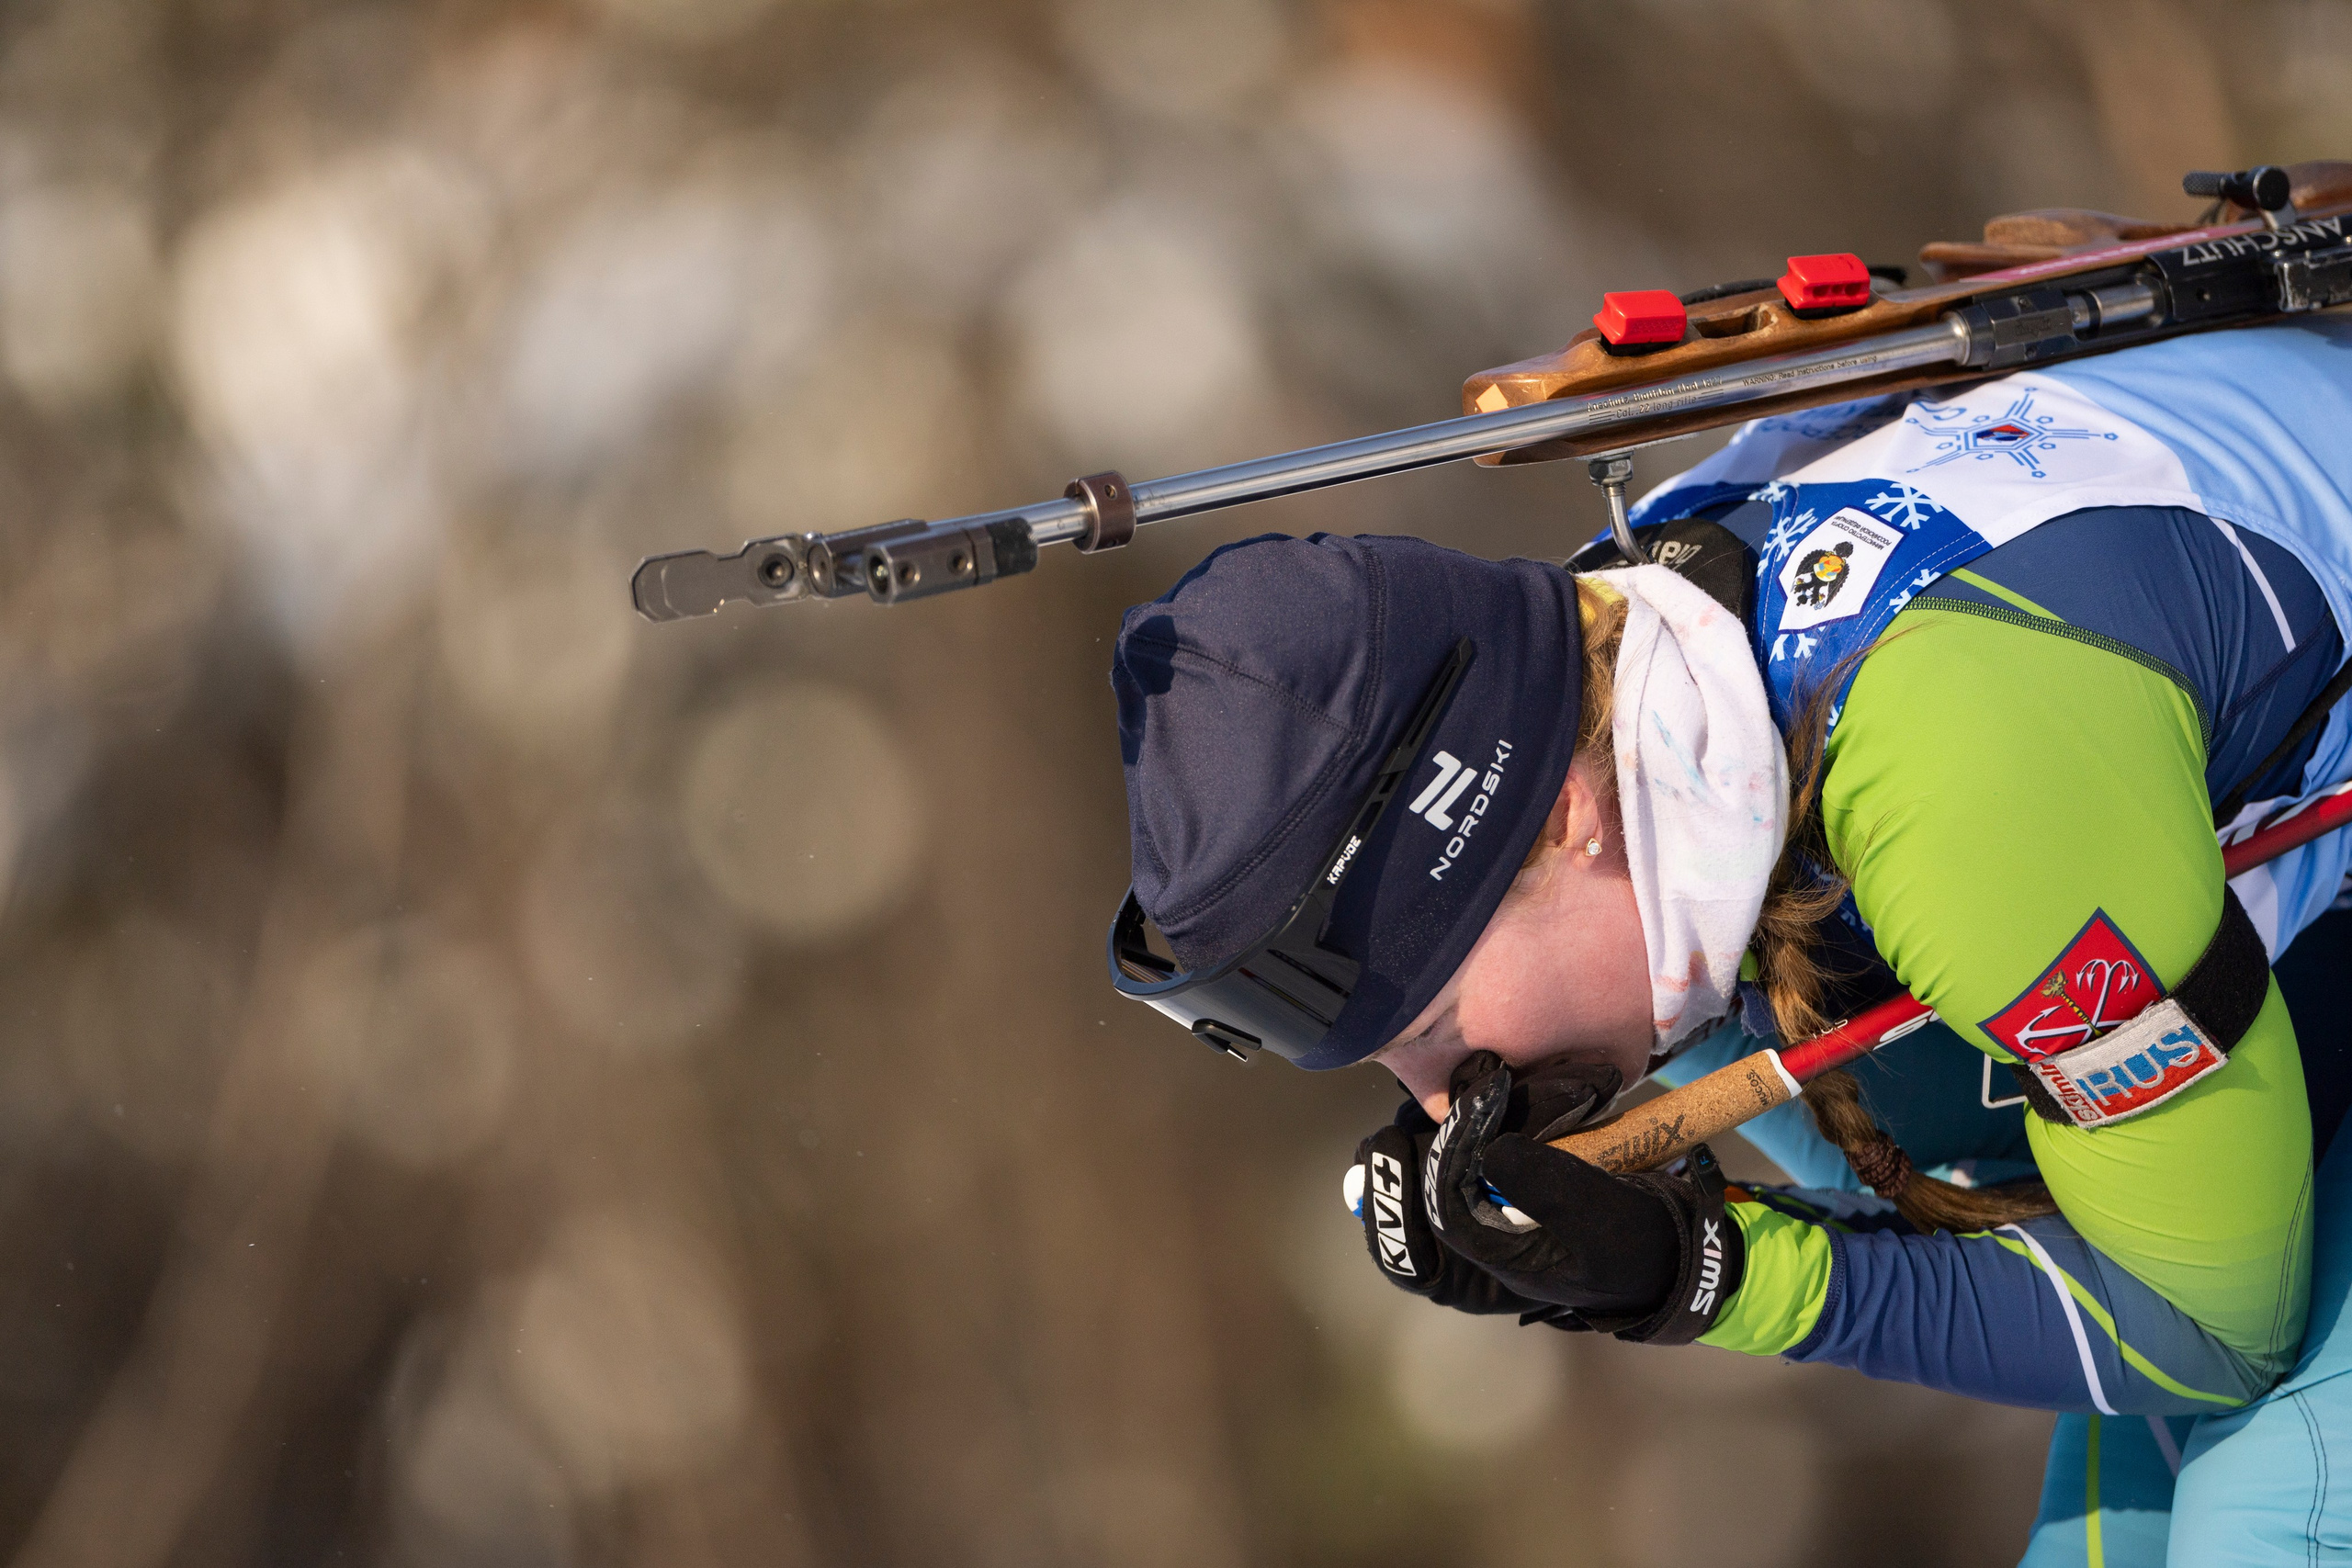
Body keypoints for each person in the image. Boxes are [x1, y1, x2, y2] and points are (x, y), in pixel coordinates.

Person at [1106, 314, 2352, 1565]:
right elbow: (1938, 1167)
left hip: (2180, 874)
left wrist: (1709, 1275)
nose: (1439, 1107)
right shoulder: (1643, 675)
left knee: (2260, 1536)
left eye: (1431, 1030)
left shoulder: (1956, 786)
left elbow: (2217, 1322)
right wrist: (1620, 1224)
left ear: (1560, 817)